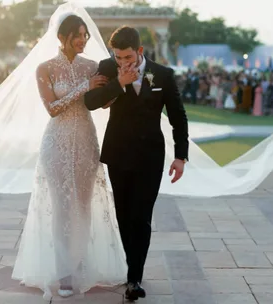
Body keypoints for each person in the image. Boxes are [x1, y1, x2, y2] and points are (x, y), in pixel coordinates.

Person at [12, 14, 126, 299]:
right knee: (62, 208)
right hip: (57, 143)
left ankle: (79, 262)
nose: (83, 40)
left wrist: (115, 88)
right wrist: (82, 88)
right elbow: (52, 108)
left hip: (86, 142)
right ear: (62, 37)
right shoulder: (45, 69)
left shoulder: (93, 66)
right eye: (78, 34)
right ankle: (63, 272)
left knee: (84, 206)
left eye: (85, 35)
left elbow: (100, 103)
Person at [84, 26, 189, 301]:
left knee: (141, 218)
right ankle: (131, 269)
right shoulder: (107, 67)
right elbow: (91, 102)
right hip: (118, 154)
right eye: (118, 57)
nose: (123, 62)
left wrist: (180, 156)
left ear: (139, 51)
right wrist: (118, 82)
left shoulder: (163, 74)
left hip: (150, 157)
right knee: (123, 216)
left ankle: (134, 278)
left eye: (128, 57)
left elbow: (178, 116)